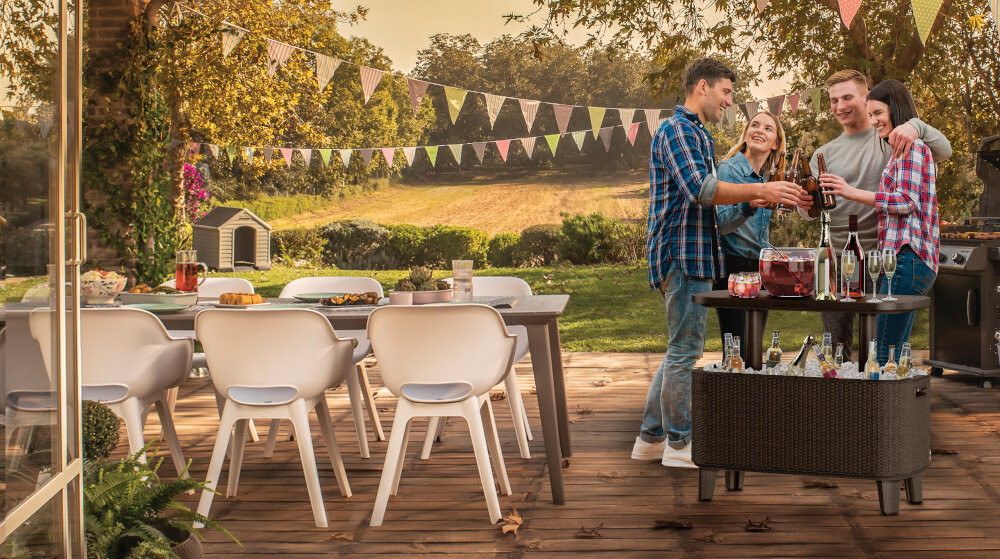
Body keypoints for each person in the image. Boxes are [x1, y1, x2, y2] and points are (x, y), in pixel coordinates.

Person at [634, 58, 808, 468]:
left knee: (679, 347)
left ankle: (650, 437)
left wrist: (753, 197)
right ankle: (679, 445)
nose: (730, 102)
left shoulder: (694, 133)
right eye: (726, 92)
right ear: (701, 87)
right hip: (681, 255)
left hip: (692, 255)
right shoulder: (678, 129)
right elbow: (702, 189)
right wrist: (760, 188)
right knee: (685, 351)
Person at [800, 70, 951, 361]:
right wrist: (804, 202)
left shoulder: (891, 137)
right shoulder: (824, 153)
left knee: (879, 350)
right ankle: (842, 403)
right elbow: (809, 214)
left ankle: (876, 401)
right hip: (835, 264)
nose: (840, 106)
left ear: (867, 97)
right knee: (835, 351)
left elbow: (942, 151)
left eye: (847, 97)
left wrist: (915, 126)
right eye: (833, 100)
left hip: (880, 260)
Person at [712, 110, 787, 355]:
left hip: (760, 269)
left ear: (775, 143)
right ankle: (731, 393)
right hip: (734, 269)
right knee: (737, 350)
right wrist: (752, 202)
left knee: (753, 347)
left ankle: (749, 394)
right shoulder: (729, 170)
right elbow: (722, 223)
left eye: (767, 128)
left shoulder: (768, 177)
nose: (759, 130)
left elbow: (759, 234)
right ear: (745, 135)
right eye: (754, 125)